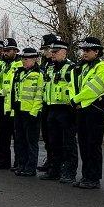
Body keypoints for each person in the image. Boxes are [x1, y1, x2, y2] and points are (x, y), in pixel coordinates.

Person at [71, 37, 104, 189]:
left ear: (97, 51)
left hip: (95, 109)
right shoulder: (83, 67)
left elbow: (93, 88)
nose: (84, 53)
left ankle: (94, 178)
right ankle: (86, 175)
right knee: (83, 143)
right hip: (82, 108)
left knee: (93, 144)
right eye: (83, 50)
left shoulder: (102, 67)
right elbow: (75, 84)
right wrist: (76, 99)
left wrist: (76, 99)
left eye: (88, 50)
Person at [40, 39, 77, 182]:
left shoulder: (71, 68)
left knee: (68, 143)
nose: (53, 54)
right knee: (53, 142)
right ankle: (54, 170)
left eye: (56, 52)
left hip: (66, 109)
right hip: (51, 108)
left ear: (64, 52)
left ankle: (69, 172)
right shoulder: (50, 67)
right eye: (52, 52)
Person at [9, 47, 44, 177]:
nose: (24, 61)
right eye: (23, 59)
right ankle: (21, 164)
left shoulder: (39, 74)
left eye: (27, 59)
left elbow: (39, 95)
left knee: (31, 142)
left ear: (34, 59)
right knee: (20, 140)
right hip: (19, 111)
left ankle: (31, 167)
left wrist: (33, 113)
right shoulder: (20, 73)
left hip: (31, 113)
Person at [0, 38, 21, 170]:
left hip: (14, 105)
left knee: (17, 137)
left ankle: (18, 162)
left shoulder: (20, 64)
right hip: (1, 104)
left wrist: (4, 91)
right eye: (4, 50)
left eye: (8, 50)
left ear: (15, 51)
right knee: (3, 135)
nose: (5, 53)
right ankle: (3, 161)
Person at [37, 34, 58, 172]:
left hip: (56, 106)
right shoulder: (44, 63)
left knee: (55, 137)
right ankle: (50, 160)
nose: (45, 52)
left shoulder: (60, 63)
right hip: (44, 103)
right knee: (46, 135)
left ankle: (56, 162)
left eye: (46, 49)